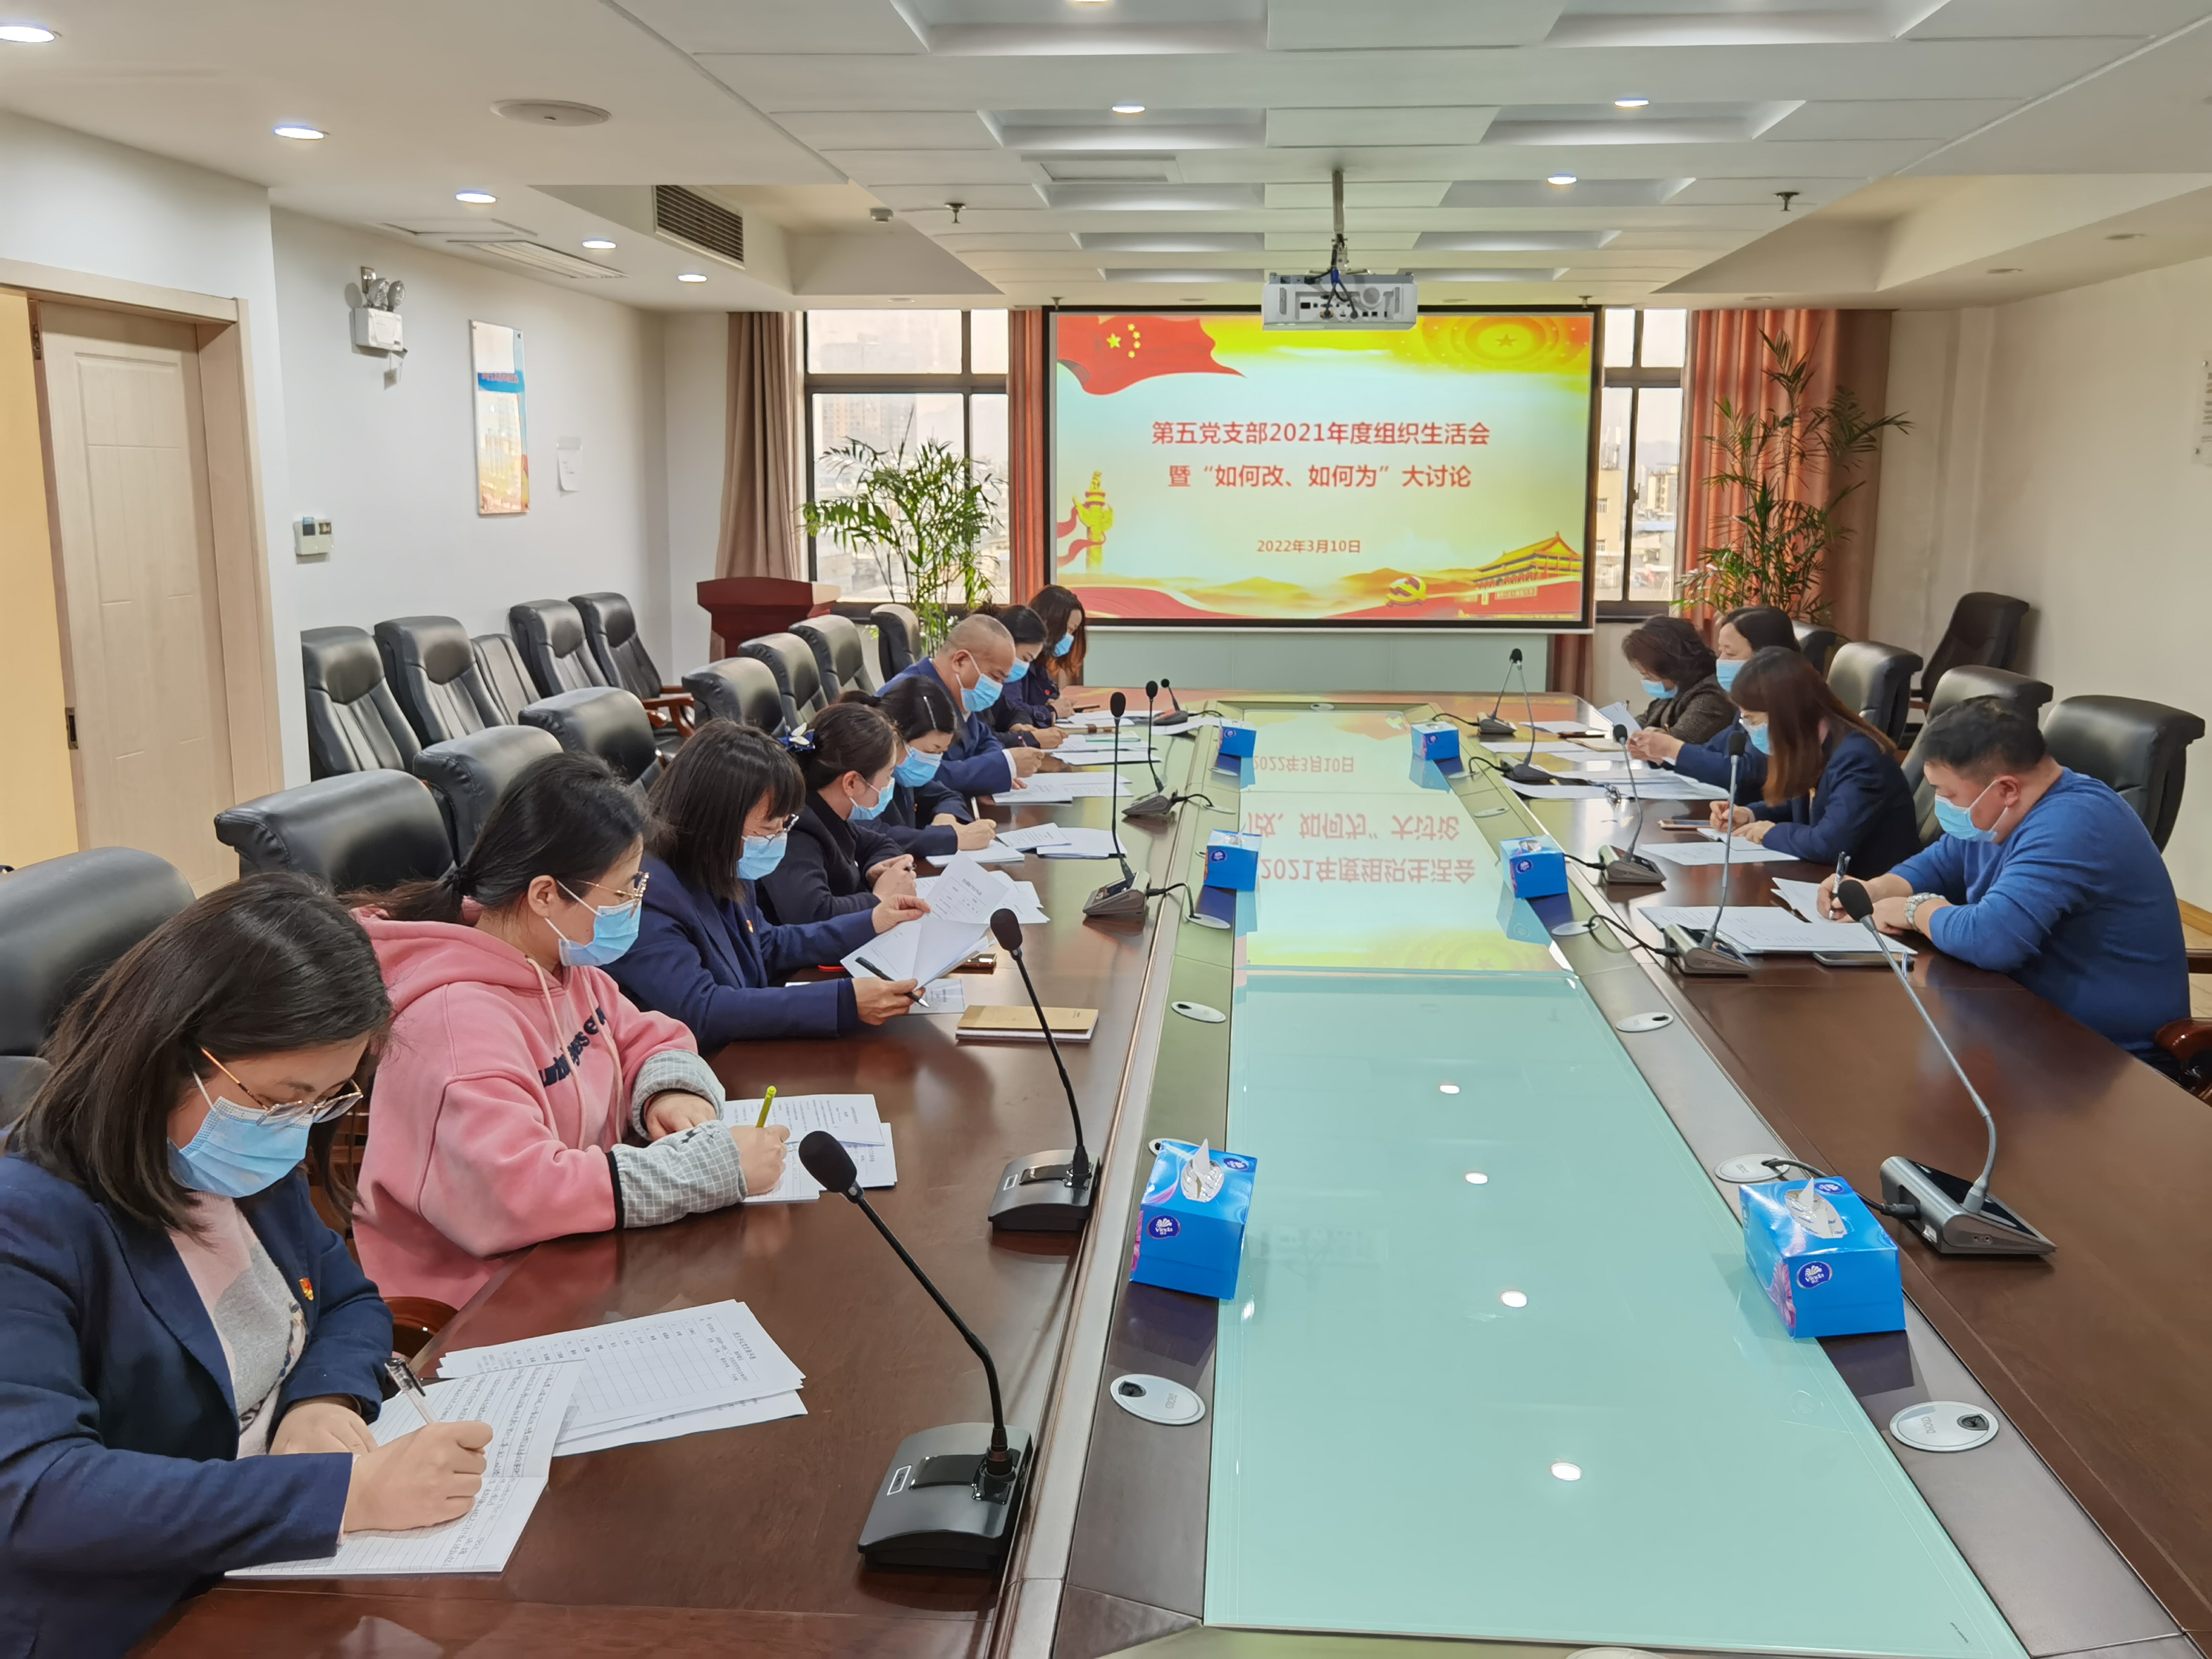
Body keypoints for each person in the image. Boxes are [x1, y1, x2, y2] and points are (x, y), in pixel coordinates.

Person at [0, 876, 493, 1653]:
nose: (294, 1133)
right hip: (140, 1614)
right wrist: (343, 1495)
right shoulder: (27, 1223)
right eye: (277, 1100)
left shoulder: (240, 1159)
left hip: (280, 1568)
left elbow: (350, 1303)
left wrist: (321, 1402)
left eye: (323, 1101)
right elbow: (35, 1495)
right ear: (168, 1053)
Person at [352, 752, 788, 1309]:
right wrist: (708, 1172)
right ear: (545, 895)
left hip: (578, 1252)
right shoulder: (455, 1024)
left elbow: (646, 1034)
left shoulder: (558, 960)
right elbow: (519, 1193)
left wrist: (670, 1090)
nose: (634, 906)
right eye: (623, 892)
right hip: (485, 1298)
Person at [1819, 697, 2189, 1063]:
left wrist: (1914, 910)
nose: (1941, 803)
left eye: (1948, 794)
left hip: (2104, 1056)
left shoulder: (2073, 823)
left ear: (2007, 789)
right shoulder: (2002, 814)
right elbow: (1942, 862)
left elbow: (1991, 940)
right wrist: (1875, 889)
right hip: (2020, 1016)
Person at [611, 720, 929, 1047]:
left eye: (783, 825)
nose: (778, 837)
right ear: (718, 820)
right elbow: (699, 1010)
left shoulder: (723, 861)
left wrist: (872, 921)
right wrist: (843, 1002)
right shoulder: (644, 894)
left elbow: (767, 944)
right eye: (769, 828)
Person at [1705, 646, 1920, 873]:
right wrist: (1750, 815)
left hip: (1869, 886)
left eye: (1753, 720)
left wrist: (1771, 832)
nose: (1750, 730)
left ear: (1786, 715)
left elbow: (1828, 844)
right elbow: (1802, 805)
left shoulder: (1859, 760)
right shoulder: (1814, 744)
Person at [757, 701, 932, 926]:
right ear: (852, 783)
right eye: (888, 775)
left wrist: (874, 869)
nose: (891, 784)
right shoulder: (794, 828)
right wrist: (880, 899)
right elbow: (813, 914)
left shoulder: (829, 812)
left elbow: (880, 844)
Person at [1629, 604, 1801, 797]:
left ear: (1766, 656)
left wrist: (1673, 749)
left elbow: (1746, 772)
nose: (1720, 661)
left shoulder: (1785, 706)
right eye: (1720, 652)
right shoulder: (1746, 703)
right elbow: (1712, 749)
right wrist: (1663, 757)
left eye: (1730, 654)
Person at [884, 611, 1049, 798]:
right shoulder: (909, 695)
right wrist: (1002, 765)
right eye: (996, 677)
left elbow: (985, 739)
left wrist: (997, 766)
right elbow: (920, 775)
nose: (998, 687)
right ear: (961, 661)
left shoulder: (959, 692)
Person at [853, 676, 997, 860]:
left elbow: (946, 795)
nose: (933, 761)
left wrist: (946, 817)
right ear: (896, 735)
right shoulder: (861, 769)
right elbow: (868, 835)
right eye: (930, 751)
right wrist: (951, 839)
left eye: (941, 753)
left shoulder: (904, 772)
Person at [1621, 615, 1730, 744]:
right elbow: (1645, 720)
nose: (1647, 680)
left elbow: (1677, 743)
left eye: (1648, 675)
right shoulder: (1677, 690)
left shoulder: (1711, 696)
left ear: (1670, 667)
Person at [980, 603, 1064, 749]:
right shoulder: (973, 686)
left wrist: (1019, 725)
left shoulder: (992, 683)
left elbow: (1015, 711)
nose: (1025, 666)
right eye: (1025, 659)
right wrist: (1028, 739)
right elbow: (978, 742)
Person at [1030, 584, 1087, 716]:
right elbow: (1013, 710)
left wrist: (1055, 704)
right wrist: (1051, 710)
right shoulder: (1020, 662)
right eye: (1069, 629)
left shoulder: (1040, 663)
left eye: (1073, 632)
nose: (1070, 637)